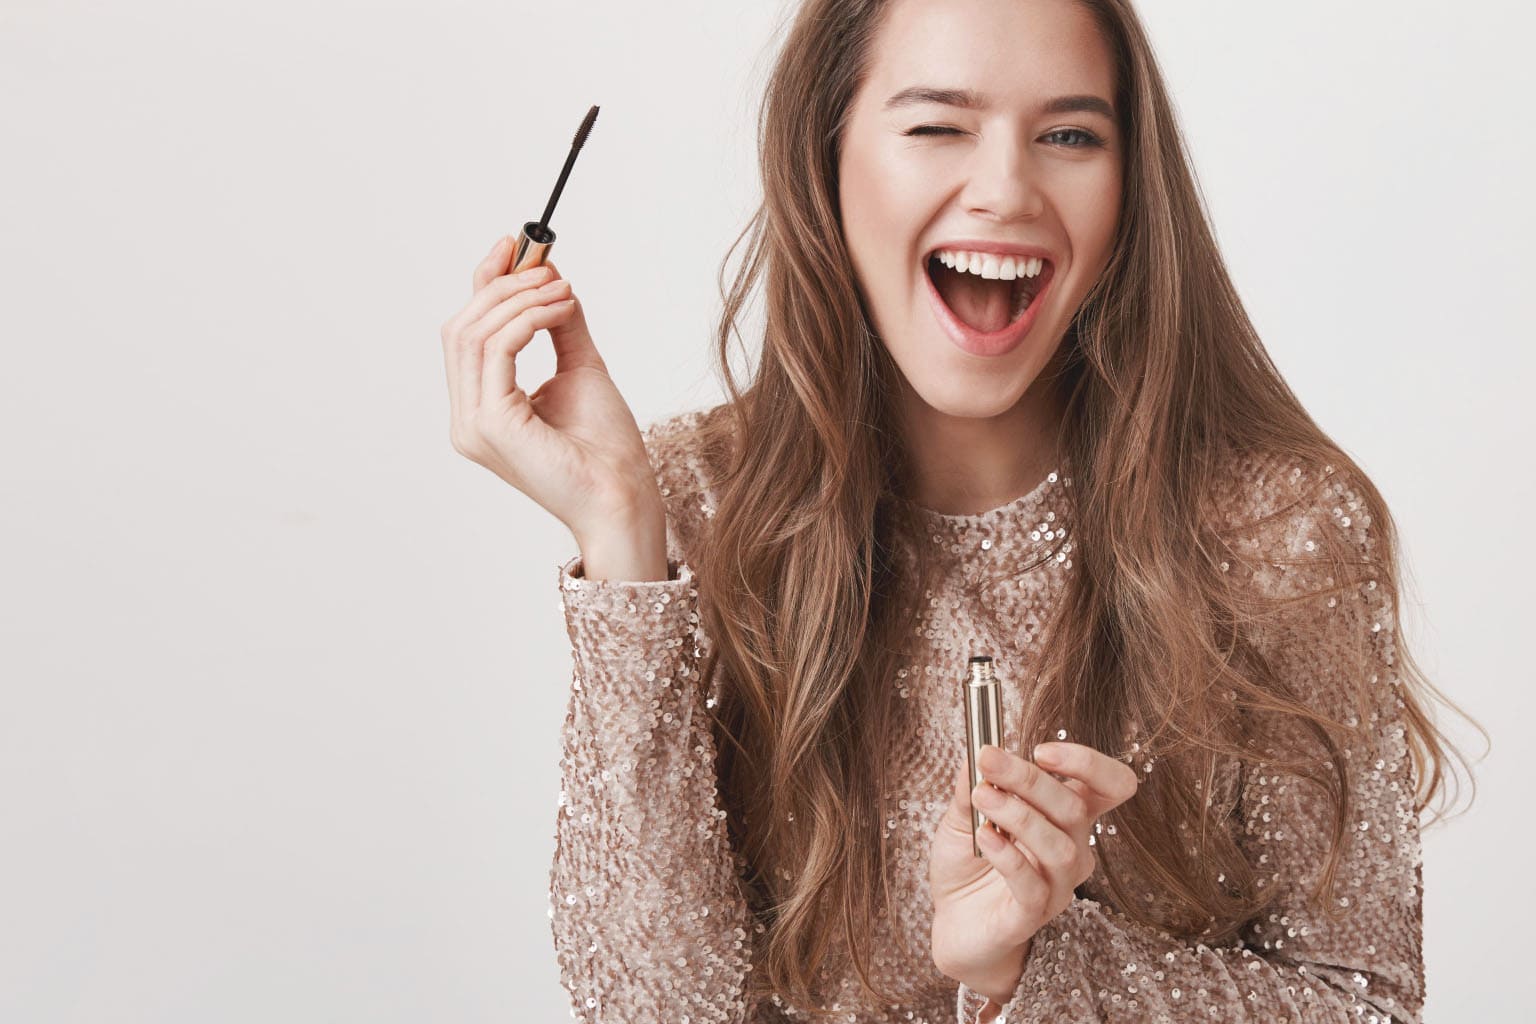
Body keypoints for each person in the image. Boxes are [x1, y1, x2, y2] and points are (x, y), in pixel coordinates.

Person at [438, 1, 1479, 1021]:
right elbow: (656, 1008)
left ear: (1131, 183)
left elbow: (1363, 1003)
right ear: (827, 157)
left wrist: (1031, 971)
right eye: (938, 126)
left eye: (1070, 134)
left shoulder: (1276, 531)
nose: (1005, 190)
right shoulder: (695, 508)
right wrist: (625, 548)